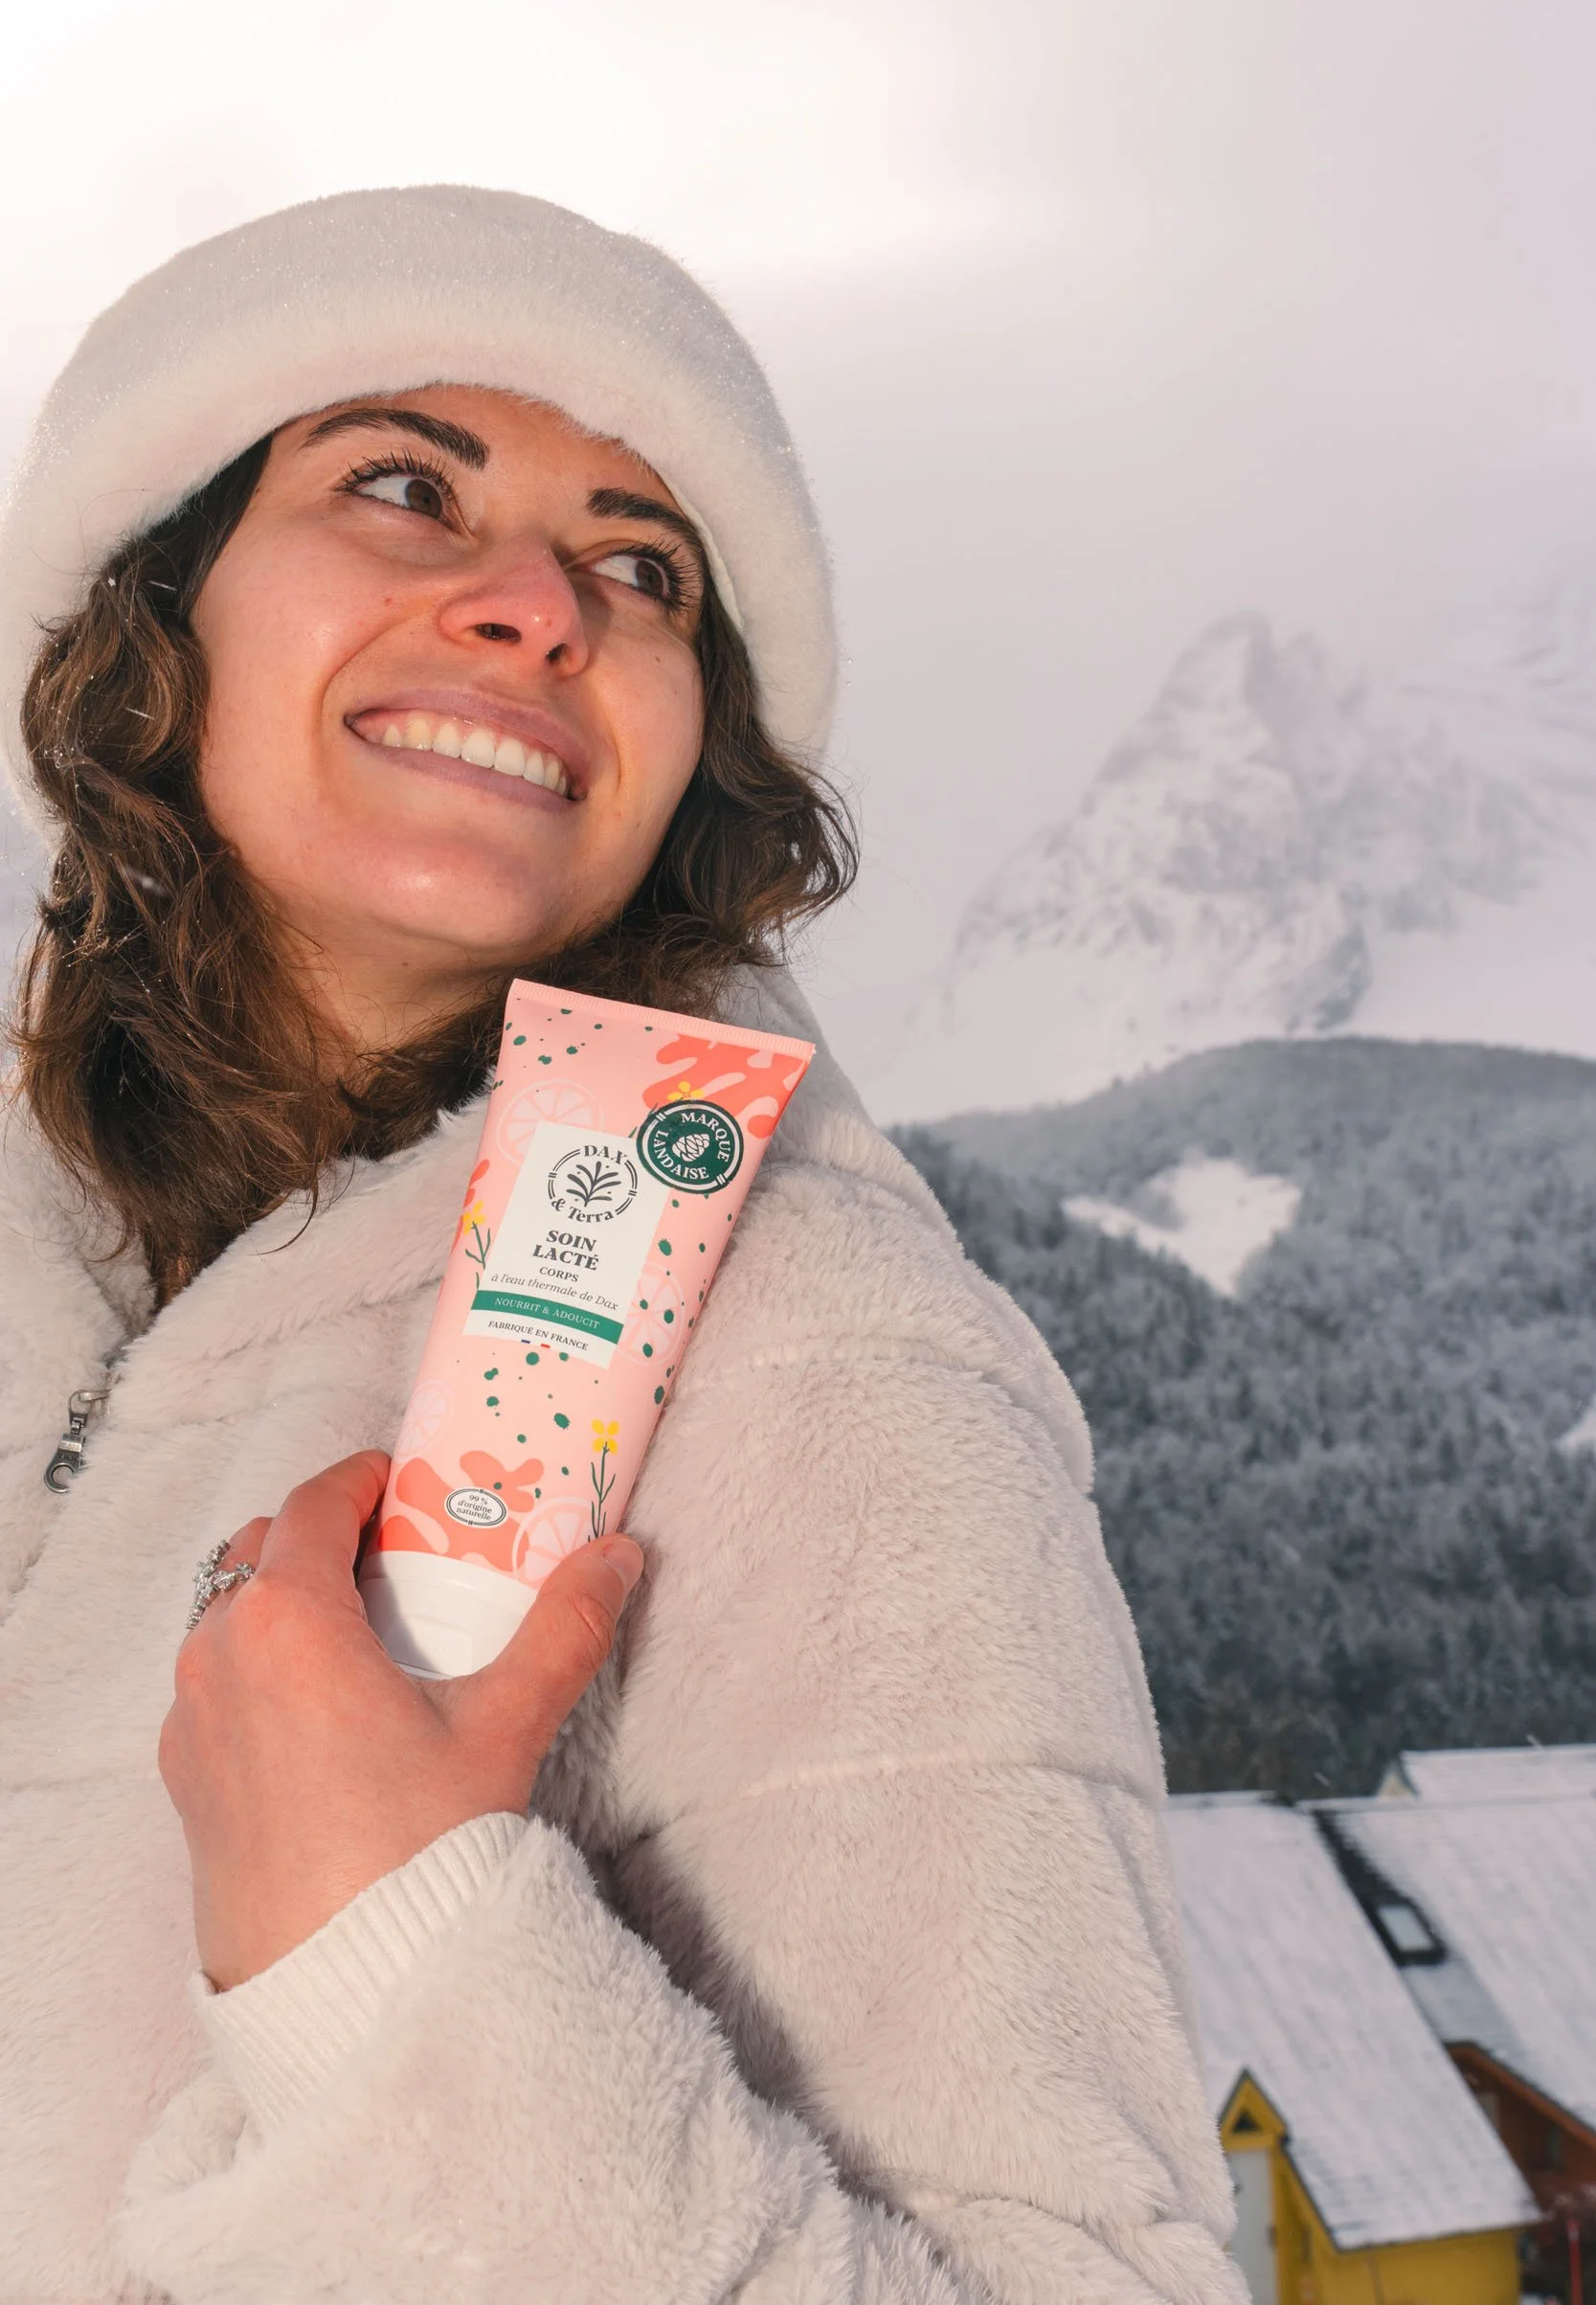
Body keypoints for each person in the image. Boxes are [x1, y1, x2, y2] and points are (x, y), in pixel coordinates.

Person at [0, 187, 1243, 2303]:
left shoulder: (817, 1349)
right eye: (403, 482)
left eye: (641, 568)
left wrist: (386, 1971)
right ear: (153, 607)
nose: (537, 605)